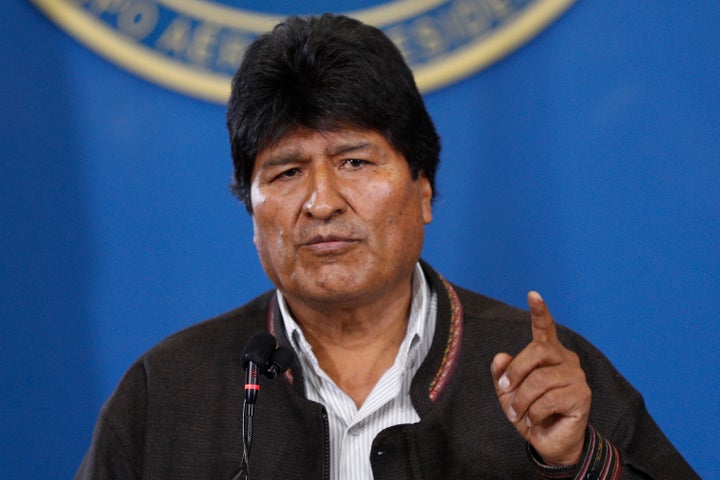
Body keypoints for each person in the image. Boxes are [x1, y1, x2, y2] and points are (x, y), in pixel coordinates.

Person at [75, 13, 698, 480]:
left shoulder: (541, 377)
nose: (322, 202)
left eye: (354, 161)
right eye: (287, 173)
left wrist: (576, 459)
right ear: (251, 206)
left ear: (423, 187)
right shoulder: (168, 393)